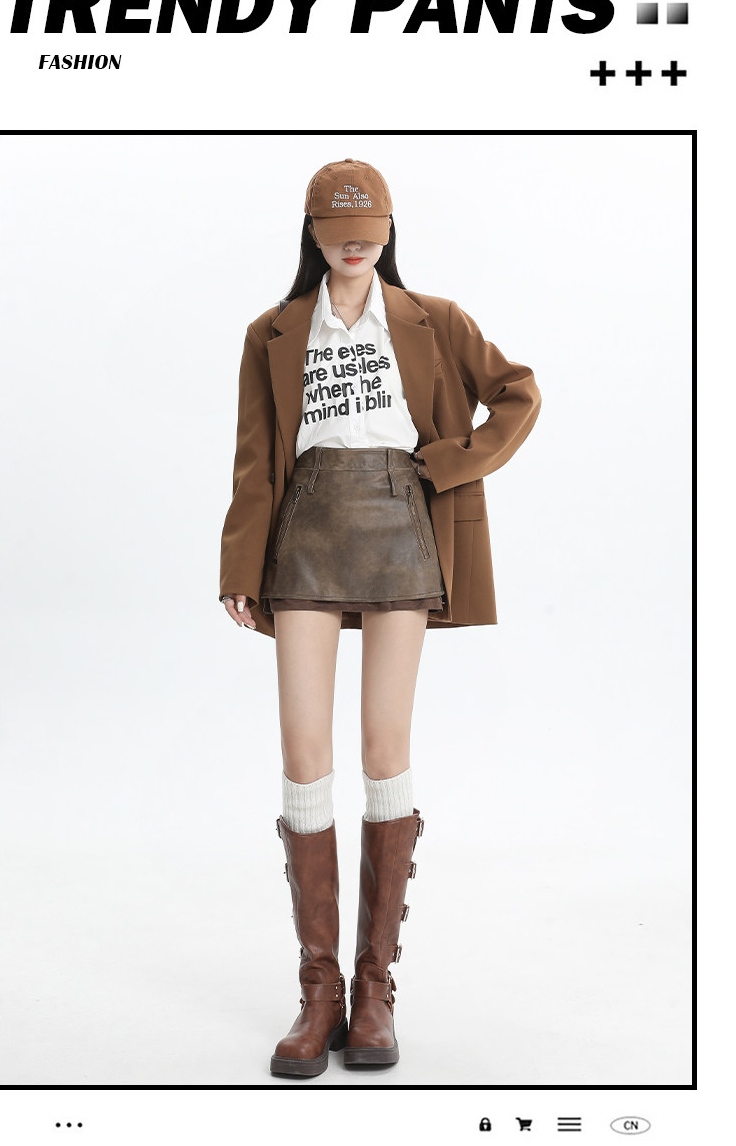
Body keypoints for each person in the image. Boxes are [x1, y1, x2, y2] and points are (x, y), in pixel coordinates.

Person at [219, 158, 541, 1077]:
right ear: (313, 234)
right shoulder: (274, 331)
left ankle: (373, 986)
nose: (355, 243)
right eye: (338, 229)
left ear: (389, 231)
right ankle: (319, 988)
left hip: (402, 525)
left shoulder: (434, 318)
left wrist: (449, 462)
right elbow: (254, 456)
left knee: (383, 745)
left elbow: (518, 390)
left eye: (369, 230)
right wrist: (239, 563)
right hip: (307, 527)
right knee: (302, 750)